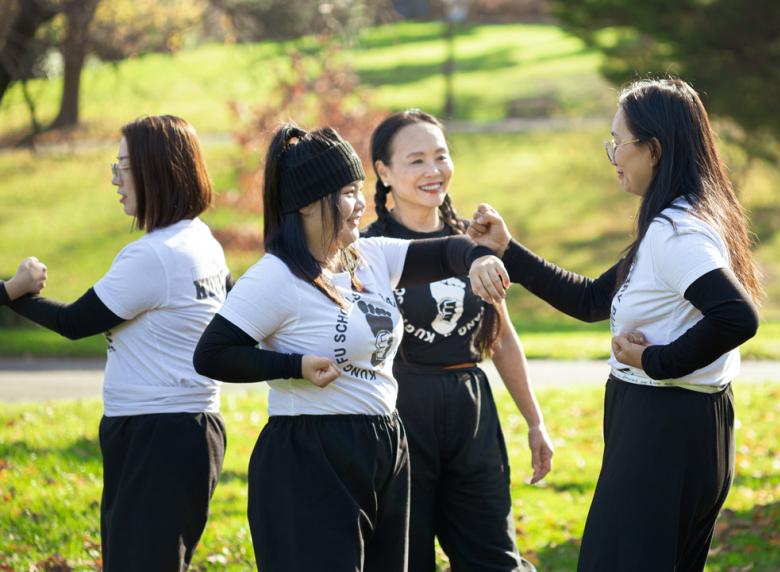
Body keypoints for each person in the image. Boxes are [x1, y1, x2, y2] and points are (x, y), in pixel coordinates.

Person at [468, 78, 762, 571]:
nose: (613, 156)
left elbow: (736, 316)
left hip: (665, 430)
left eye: (618, 142)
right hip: (676, 425)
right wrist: (508, 252)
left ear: (655, 149)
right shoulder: (676, 221)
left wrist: (655, 361)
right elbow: (591, 299)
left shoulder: (677, 233)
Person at [192, 123, 511, 572]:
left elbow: (447, 252)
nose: (361, 203)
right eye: (347, 192)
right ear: (306, 203)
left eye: (360, 188)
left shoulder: (369, 257)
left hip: (385, 444)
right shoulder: (276, 276)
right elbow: (212, 354)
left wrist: (479, 259)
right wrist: (295, 365)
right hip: (312, 453)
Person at [6, 115, 229, 571]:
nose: (113, 177)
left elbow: (74, 322)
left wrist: (15, 291)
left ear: (156, 171)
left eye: (123, 165)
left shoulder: (154, 255)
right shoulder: (200, 239)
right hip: (185, 431)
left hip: (157, 435)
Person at [363, 109, 552, 572]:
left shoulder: (472, 243)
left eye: (441, 156)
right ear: (384, 172)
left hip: (471, 411)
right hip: (399, 414)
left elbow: (501, 337)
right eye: (416, 160)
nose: (433, 171)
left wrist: (534, 421)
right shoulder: (368, 251)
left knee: (494, 557)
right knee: (406, 559)